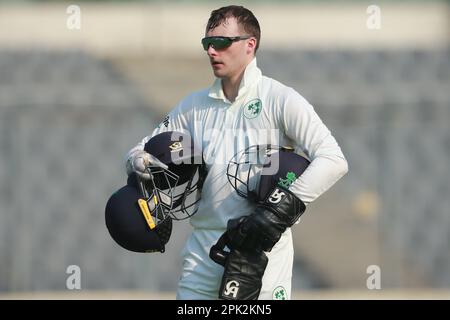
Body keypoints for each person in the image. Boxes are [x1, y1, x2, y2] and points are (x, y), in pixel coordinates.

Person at [125, 5, 348, 300]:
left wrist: (277, 212)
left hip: (262, 254)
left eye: (221, 43)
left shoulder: (279, 98)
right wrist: (137, 160)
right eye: (207, 44)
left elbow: (333, 159)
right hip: (202, 252)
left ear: (249, 45)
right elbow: (140, 150)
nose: (212, 52)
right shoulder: (193, 106)